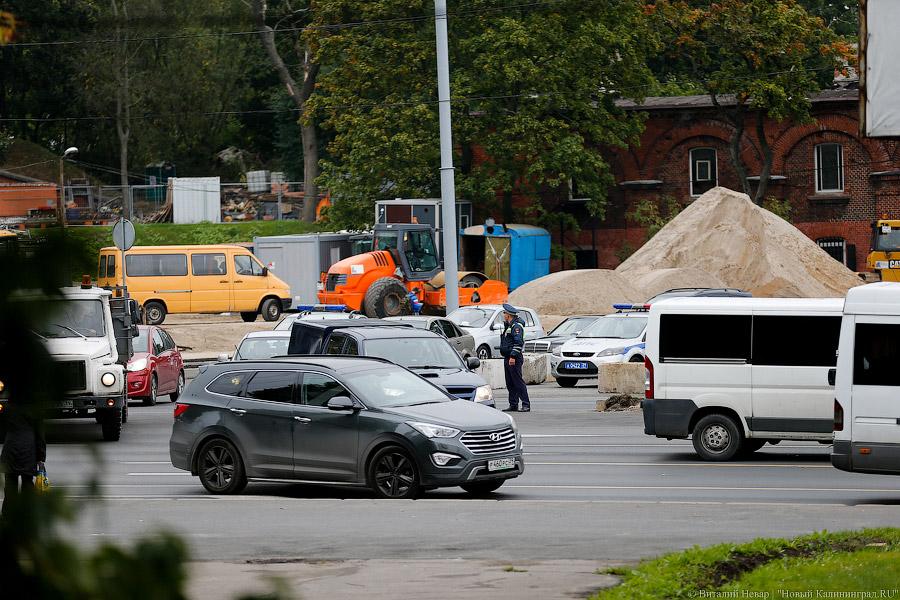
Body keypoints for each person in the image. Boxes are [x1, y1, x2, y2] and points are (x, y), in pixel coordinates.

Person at [0, 398, 46, 517]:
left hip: (10, 449)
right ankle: (27, 516)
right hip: (28, 450)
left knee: (10, 487)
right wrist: (41, 457)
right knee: (27, 484)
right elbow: (40, 435)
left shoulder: (8, 407)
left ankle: (7, 517)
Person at [499, 303, 530, 413]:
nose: (503, 314)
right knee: (510, 383)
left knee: (518, 382)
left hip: (514, 358)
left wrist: (512, 356)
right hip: (508, 357)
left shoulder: (516, 326)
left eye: (504, 313)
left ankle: (526, 404)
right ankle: (513, 404)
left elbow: (518, 342)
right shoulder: (509, 325)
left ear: (508, 315)